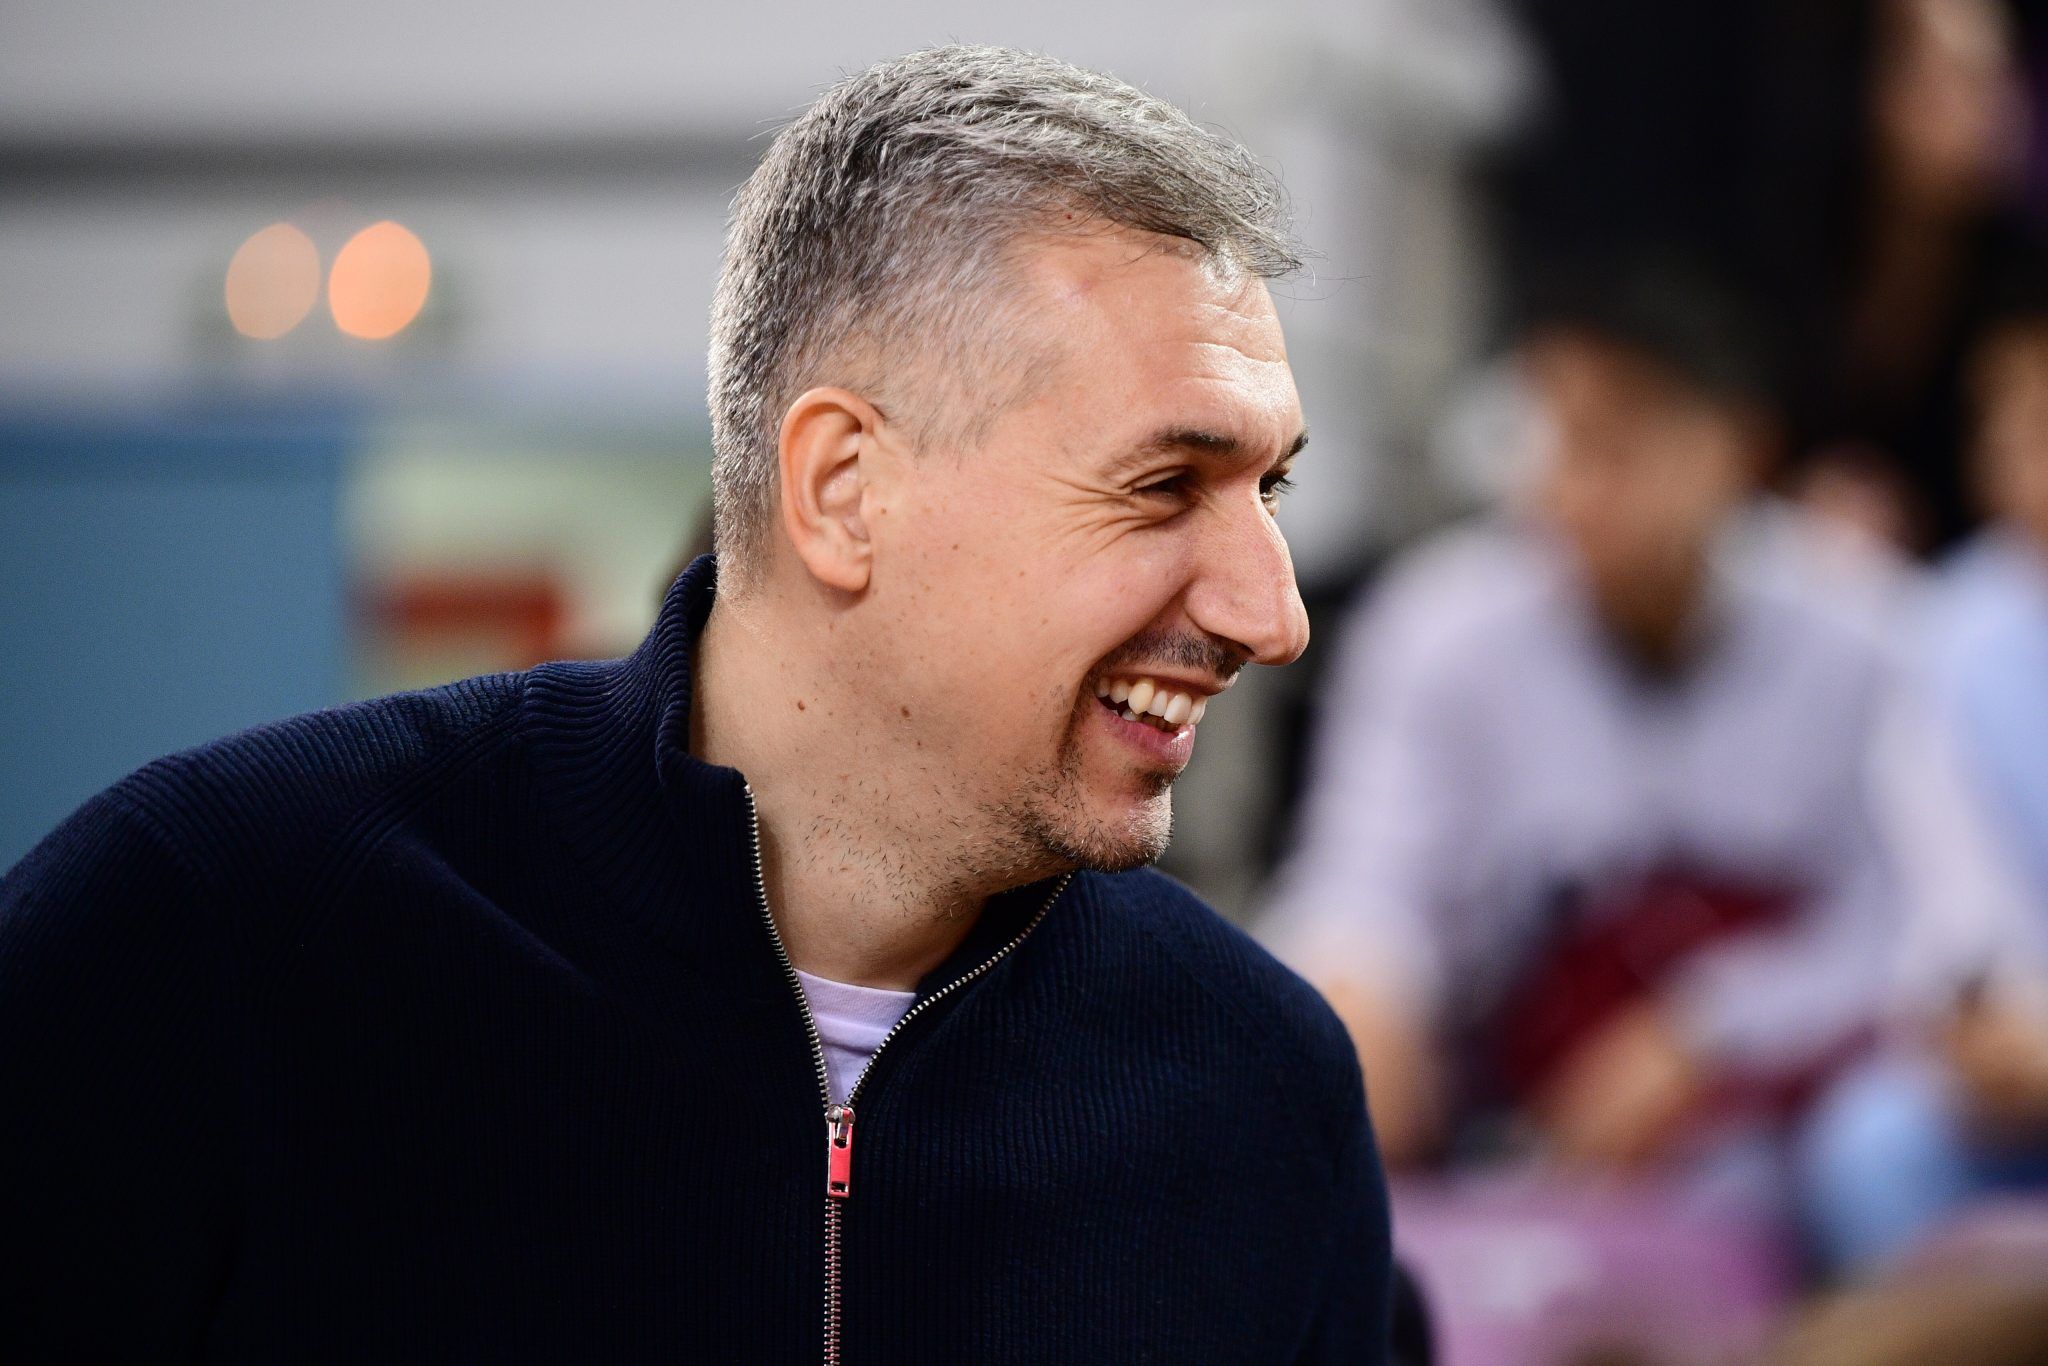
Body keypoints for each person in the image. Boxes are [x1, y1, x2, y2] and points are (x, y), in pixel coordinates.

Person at [0, 47, 1392, 1361]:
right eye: (1164, 485)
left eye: (1268, 488)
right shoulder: (210, 932)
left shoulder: (1261, 1091)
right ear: (844, 490)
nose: (1271, 614)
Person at [1259, 262, 1959, 1229]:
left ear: (1739, 450)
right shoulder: (1438, 627)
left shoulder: (1871, 635)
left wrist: (1707, 1032)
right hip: (1497, 1115)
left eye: (1616, 447)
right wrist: (1360, 989)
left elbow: (1913, 927)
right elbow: (1362, 878)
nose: (1572, 489)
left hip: (1780, 1129)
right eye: (1553, 441)